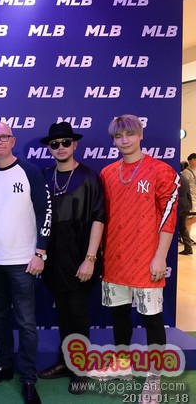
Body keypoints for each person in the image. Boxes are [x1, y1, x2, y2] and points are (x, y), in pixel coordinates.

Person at [0, 122, 50, 404]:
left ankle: (28, 379)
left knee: (26, 323)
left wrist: (40, 253)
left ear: (13, 140)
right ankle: (4, 366)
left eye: (3, 137)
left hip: (23, 261)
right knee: (0, 317)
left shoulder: (30, 172)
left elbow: (45, 213)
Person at [99, 114, 178, 399]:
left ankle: (154, 379)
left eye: (130, 134)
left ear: (140, 135)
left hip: (147, 258)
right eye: (118, 136)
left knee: (152, 320)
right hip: (115, 259)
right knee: (119, 316)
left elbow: (169, 217)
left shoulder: (161, 170)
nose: (124, 141)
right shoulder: (107, 173)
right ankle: (122, 365)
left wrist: (160, 256)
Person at [35, 122, 106, 394]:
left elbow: (99, 218)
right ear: (49, 148)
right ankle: (66, 362)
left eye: (66, 142)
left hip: (81, 257)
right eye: (55, 144)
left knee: (77, 313)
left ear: (75, 144)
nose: (61, 147)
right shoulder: (43, 176)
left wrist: (90, 258)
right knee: (64, 313)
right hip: (52, 259)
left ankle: (80, 368)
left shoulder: (89, 176)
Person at [179, 165, 193, 255]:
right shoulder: (185, 178)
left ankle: (188, 247)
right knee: (182, 227)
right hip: (185, 205)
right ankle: (188, 247)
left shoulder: (175, 178)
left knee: (179, 227)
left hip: (178, 206)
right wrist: (190, 206)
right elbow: (188, 193)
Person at [183, 153, 196, 241]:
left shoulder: (194, 171)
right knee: (191, 217)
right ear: (190, 160)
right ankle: (185, 235)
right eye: (194, 159)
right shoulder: (186, 172)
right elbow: (184, 186)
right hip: (190, 198)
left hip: (194, 197)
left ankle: (187, 236)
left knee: (192, 218)